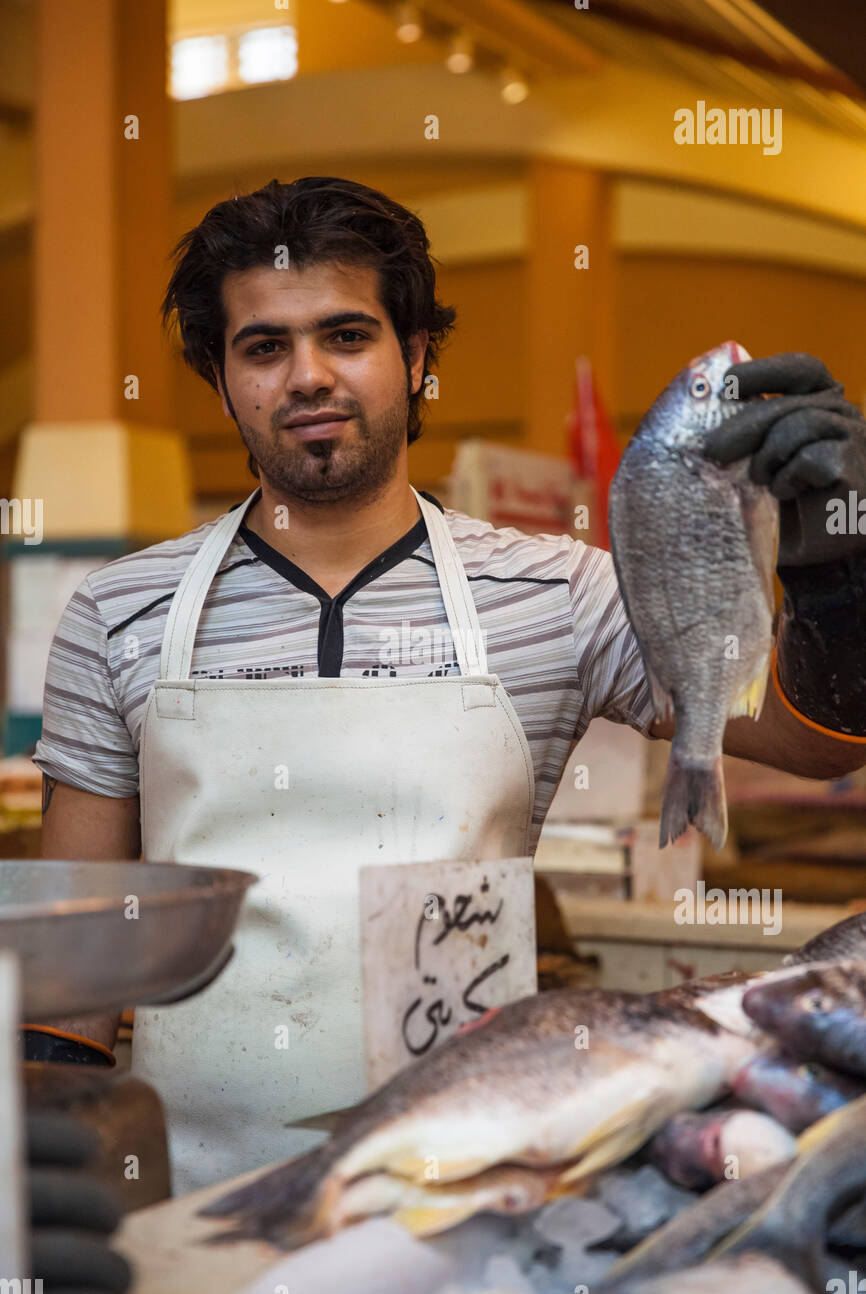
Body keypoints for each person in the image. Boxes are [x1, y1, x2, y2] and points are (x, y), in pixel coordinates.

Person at [28, 177, 866, 1195]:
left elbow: (816, 742)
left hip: (484, 1179)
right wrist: (46, 1178)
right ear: (220, 376)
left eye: (346, 335)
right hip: (186, 1197)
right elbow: (69, 972)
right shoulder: (118, 608)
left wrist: (838, 578)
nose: (306, 376)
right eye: (262, 347)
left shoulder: (560, 592)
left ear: (415, 355)